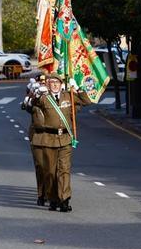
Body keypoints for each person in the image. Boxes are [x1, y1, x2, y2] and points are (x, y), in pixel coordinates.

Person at [31, 72, 92, 212]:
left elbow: (87, 102)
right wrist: (36, 92)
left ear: (61, 84)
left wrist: (78, 88)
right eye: (52, 83)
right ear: (48, 84)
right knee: (50, 172)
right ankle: (53, 199)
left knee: (64, 170)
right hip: (48, 139)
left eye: (57, 83)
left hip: (65, 138)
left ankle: (64, 199)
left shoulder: (68, 96)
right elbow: (31, 105)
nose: (55, 85)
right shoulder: (44, 98)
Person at [22, 77, 48, 206]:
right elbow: (26, 106)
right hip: (37, 134)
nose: (44, 85)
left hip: (54, 136)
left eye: (46, 82)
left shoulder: (57, 97)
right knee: (40, 166)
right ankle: (42, 194)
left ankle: (53, 192)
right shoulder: (35, 96)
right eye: (42, 83)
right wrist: (32, 95)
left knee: (54, 167)